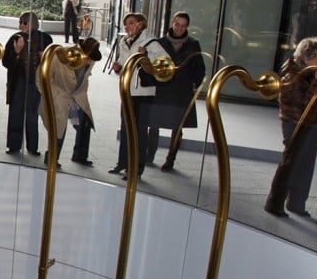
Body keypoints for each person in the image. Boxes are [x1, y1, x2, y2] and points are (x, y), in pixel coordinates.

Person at [264, 36, 317, 218]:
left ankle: (296, 204)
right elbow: (303, 105)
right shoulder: (293, 76)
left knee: (305, 164)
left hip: (310, 124)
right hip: (296, 123)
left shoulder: (308, 74)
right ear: (309, 57)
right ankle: (275, 203)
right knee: (291, 163)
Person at [147, 12, 206, 170]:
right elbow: (151, 65)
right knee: (153, 124)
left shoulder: (193, 44)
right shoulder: (159, 43)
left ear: (187, 27)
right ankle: (149, 156)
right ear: (172, 23)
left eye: (183, 26)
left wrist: (194, 82)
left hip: (182, 91)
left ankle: (170, 160)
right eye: (177, 24)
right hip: (162, 89)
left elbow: (200, 68)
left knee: (177, 128)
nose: (179, 28)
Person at [108, 12, 163, 178]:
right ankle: (122, 163)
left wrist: (145, 55)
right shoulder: (125, 41)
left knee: (139, 131)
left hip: (143, 93)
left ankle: (136, 168)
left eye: (131, 23)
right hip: (127, 91)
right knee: (125, 128)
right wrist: (118, 67)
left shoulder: (150, 42)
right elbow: (126, 65)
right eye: (126, 24)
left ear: (140, 24)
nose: (128, 27)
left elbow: (163, 65)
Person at [36, 37, 101, 167]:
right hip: (58, 95)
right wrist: (54, 95)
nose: (89, 62)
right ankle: (52, 157)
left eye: (91, 59)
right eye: (88, 58)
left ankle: (80, 155)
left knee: (85, 122)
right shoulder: (60, 56)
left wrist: (82, 94)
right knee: (59, 126)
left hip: (77, 95)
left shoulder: (90, 60)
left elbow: (84, 79)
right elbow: (40, 77)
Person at [2, 11, 52, 156]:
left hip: (35, 82)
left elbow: (51, 61)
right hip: (18, 80)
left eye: (25, 22)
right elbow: (6, 62)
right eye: (20, 22)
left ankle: (33, 147)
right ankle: (13, 145)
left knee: (32, 114)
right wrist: (17, 52)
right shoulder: (14, 38)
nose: (21, 25)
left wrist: (43, 57)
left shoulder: (44, 38)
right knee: (15, 113)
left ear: (33, 23)